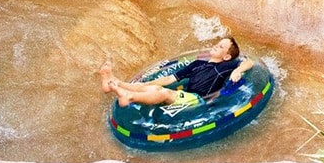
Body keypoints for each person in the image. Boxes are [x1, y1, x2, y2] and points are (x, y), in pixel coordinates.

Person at [99, 37, 253, 109]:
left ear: (226, 56)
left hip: (198, 100)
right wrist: (146, 83)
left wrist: (238, 70)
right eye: (217, 44)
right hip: (187, 96)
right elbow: (170, 78)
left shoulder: (225, 66)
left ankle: (130, 96)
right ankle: (115, 83)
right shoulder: (198, 63)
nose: (215, 46)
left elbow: (249, 62)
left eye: (220, 47)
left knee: (164, 93)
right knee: (154, 87)